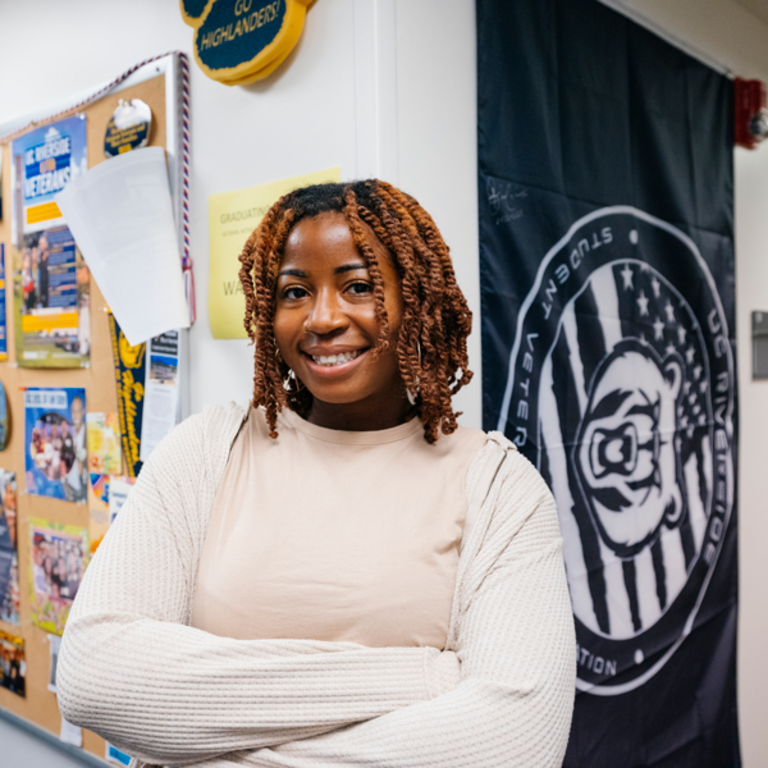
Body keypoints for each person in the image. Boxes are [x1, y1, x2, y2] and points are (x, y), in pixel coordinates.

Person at [57, 180, 576, 768]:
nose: (322, 318)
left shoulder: (498, 488)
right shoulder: (205, 452)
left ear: (417, 299)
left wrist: (201, 747)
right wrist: (426, 679)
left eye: (359, 286)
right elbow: (92, 674)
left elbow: (515, 745)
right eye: (295, 292)